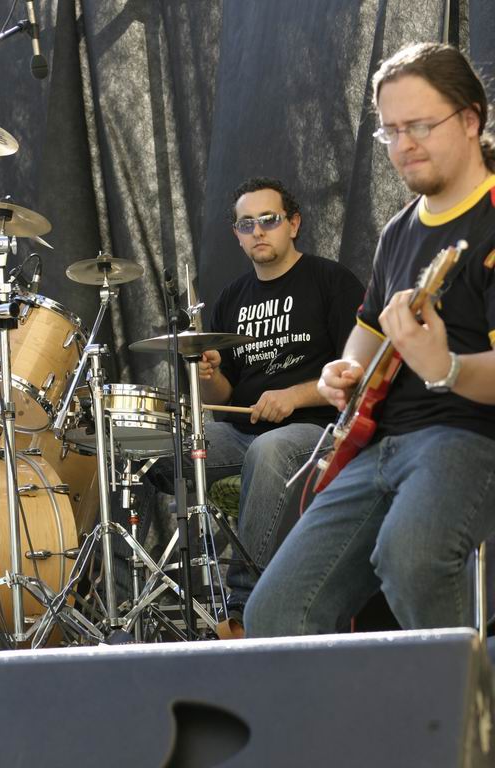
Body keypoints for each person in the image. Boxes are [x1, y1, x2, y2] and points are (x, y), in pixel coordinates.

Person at [244, 43, 495, 638]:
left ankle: (466, 696)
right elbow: (369, 329)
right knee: (273, 613)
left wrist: (446, 368)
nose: (404, 144)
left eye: (420, 126)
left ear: (470, 118)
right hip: (376, 444)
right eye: (390, 131)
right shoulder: (399, 230)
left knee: (410, 561)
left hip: (467, 436)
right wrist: (342, 372)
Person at [188, 176, 364, 633]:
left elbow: (360, 370)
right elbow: (222, 397)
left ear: (293, 224)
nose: (258, 231)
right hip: (241, 432)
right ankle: (118, 603)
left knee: (270, 450)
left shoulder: (331, 281)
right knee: (149, 446)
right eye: (246, 224)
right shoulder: (232, 297)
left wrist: (294, 396)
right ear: (237, 235)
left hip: (317, 433)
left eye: (269, 219)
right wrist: (209, 376)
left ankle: (244, 613)